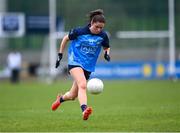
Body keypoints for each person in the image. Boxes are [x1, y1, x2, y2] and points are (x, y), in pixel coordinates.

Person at [51, 9, 111, 120]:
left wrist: (106, 53)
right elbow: (65, 39)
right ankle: (84, 111)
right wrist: (60, 54)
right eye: (96, 27)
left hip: (88, 66)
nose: (99, 30)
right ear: (91, 23)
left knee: (73, 95)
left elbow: (106, 46)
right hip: (75, 61)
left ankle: (60, 99)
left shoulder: (103, 36)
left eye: (101, 28)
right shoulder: (79, 31)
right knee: (82, 85)